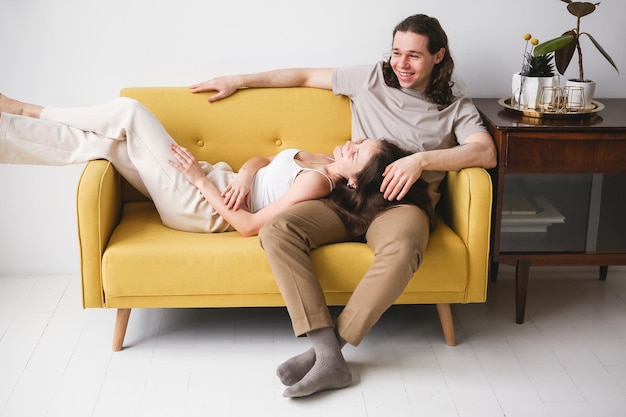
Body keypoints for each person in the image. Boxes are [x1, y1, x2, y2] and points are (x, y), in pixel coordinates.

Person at [190, 13, 497, 398]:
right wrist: (239, 79)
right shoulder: (369, 79)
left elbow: (484, 152)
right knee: (278, 229)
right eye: (396, 53)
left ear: (438, 56)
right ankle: (326, 352)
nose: (400, 64)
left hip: (402, 205)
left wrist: (421, 160)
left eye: (413, 56)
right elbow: (300, 75)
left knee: (403, 249)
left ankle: (332, 350)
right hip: (348, 193)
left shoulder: (455, 107)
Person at [0, 93, 423, 236]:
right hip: (212, 180)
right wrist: (244, 172)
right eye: (360, 140)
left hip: (202, 205)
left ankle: (23, 108)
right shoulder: (324, 160)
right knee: (102, 144)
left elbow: (249, 227)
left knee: (129, 111)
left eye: (359, 151)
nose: (352, 143)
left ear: (357, 179)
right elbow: (263, 161)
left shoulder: (318, 185)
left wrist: (199, 179)